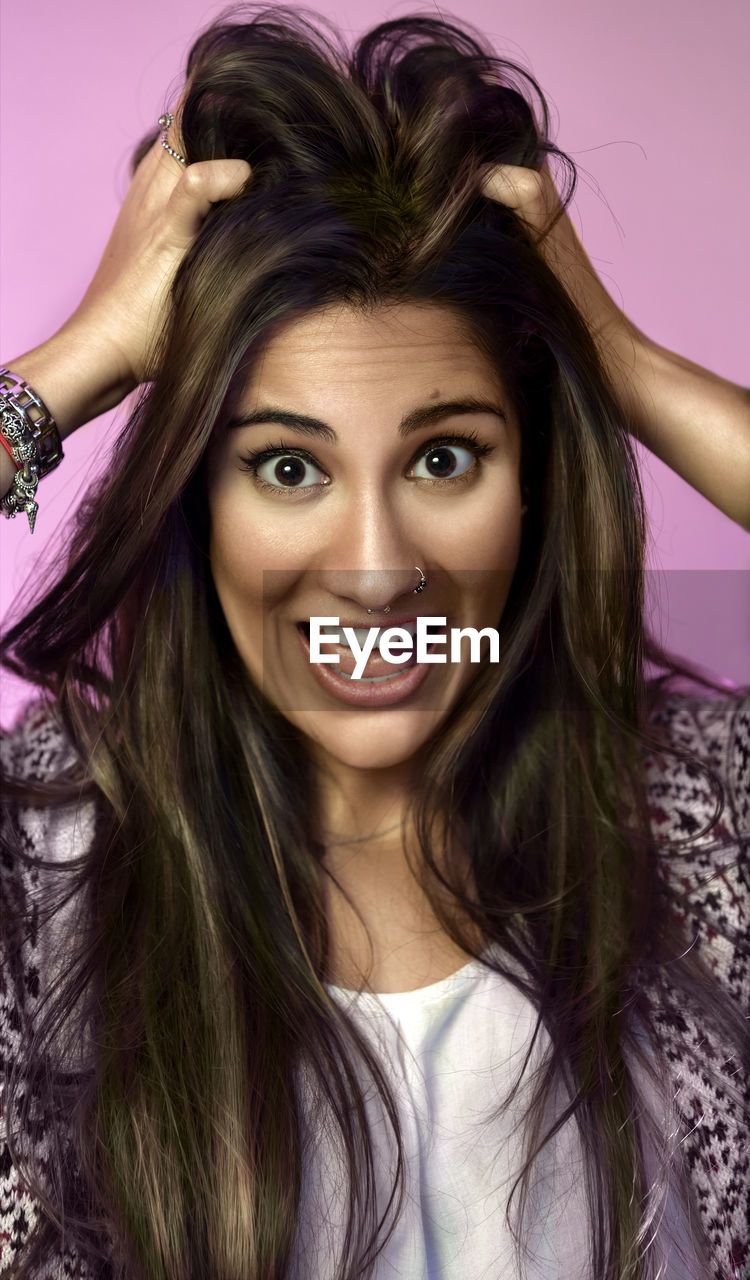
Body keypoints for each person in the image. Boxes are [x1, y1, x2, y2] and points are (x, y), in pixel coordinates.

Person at [0, 8, 748, 1279]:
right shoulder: (46, 866)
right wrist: (77, 364)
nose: (376, 568)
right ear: (194, 494)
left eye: (445, 456)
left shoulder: (702, 809)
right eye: (287, 465)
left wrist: (617, 361)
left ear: (535, 478)